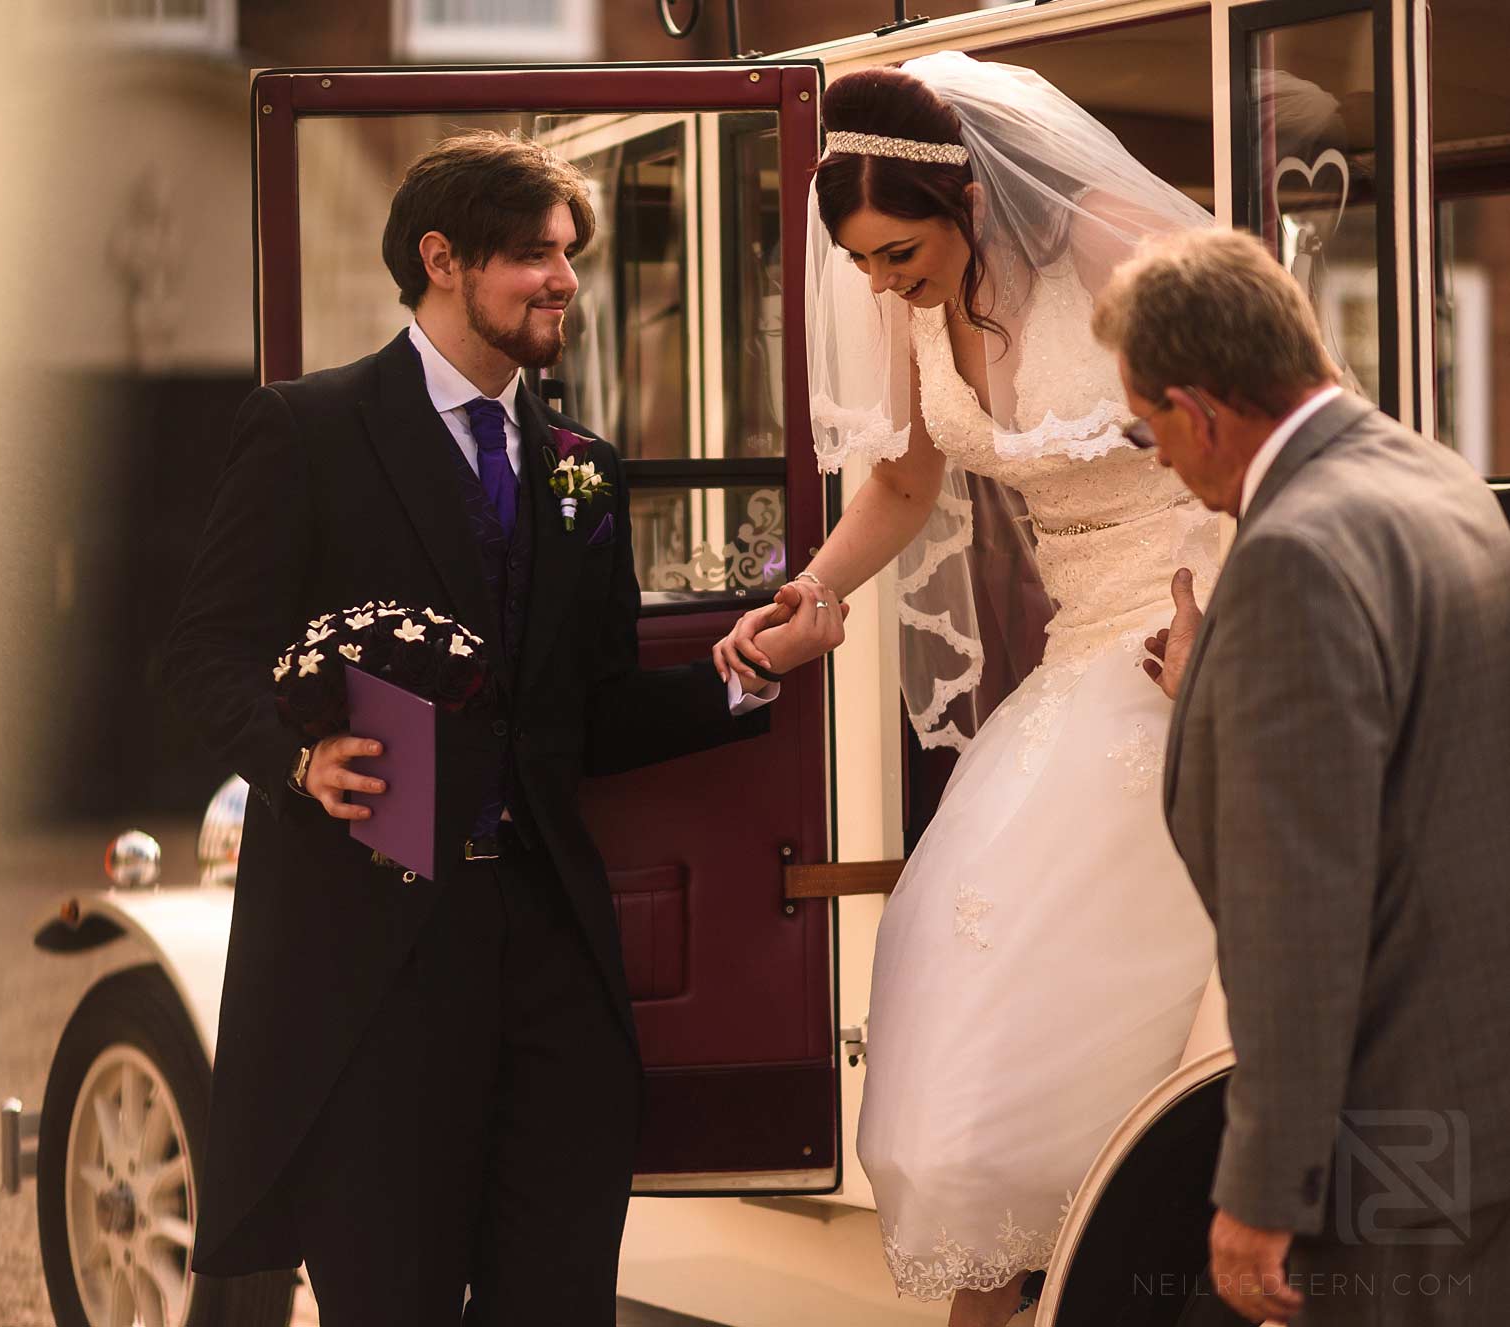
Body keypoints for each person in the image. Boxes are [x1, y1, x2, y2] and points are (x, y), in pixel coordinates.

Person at [165, 130, 840, 1326]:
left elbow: (585, 709)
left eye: (566, 256)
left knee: (557, 1300)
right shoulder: (306, 430)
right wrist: (297, 758)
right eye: (534, 256)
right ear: (440, 259)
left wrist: (749, 672)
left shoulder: (579, 466)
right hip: (371, 966)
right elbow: (204, 652)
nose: (565, 283)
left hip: (550, 962)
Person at [714, 54, 1222, 1327]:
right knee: (952, 1005)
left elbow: (1269, 421)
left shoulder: (1111, 244)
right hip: (1075, 658)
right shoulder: (909, 304)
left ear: (973, 202)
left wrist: (1223, 605)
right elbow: (898, 485)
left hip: (1196, 638)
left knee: (1141, 1018)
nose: (883, 284)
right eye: (864, 264)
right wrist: (807, 594)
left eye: (899, 254)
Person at [1096, 227, 1510, 1326]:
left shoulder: (1291, 554)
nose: (1153, 455)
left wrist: (1263, 1186)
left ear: (1199, 410)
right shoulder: (1435, 476)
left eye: (1145, 425)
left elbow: (1301, 906)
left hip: (1391, 1121)